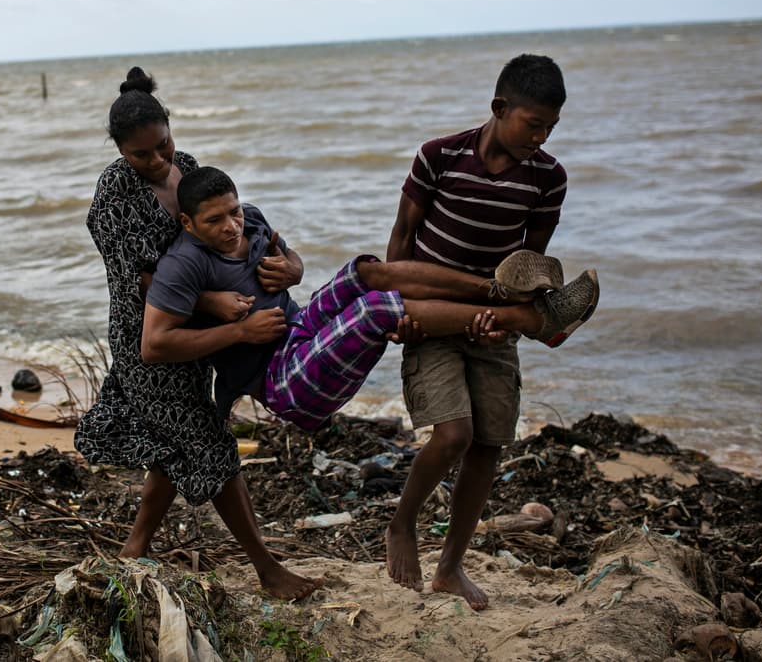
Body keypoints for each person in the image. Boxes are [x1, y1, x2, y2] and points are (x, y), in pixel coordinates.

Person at [74, 67, 320, 600]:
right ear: (120, 151)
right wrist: (213, 303)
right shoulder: (114, 193)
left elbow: (235, 235)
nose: (158, 160)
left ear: (171, 131)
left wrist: (290, 268)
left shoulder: (186, 169)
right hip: (150, 339)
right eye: (142, 155)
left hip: (204, 330)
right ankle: (267, 569)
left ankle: (134, 549)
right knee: (208, 444)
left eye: (163, 145)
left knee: (174, 439)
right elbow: (133, 274)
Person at [140, 165, 597, 442]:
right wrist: (238, 332)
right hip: (283, 384)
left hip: (300, 333)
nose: (232, 226)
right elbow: (154, 344)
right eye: (215, 220)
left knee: (368, 271)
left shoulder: (252, 219)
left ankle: (496, 290)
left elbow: (291, 257)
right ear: (187, 222)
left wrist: (295, 267)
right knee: (377, 309)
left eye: (234, 211)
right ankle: (530, 317)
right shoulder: (183, 264)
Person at [384, 53, 585, 611]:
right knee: (452, 436)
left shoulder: (548, 178)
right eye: (533, 123)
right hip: (431, 316)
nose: (540, 138)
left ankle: (450, 568)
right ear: (500, 108)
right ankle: (403, 525)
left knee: (489, 445)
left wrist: (512, 322)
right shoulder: (438, 156)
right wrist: (391, 310)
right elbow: (402, 236)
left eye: (551, 127)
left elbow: (531, 264)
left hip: (496, 321)